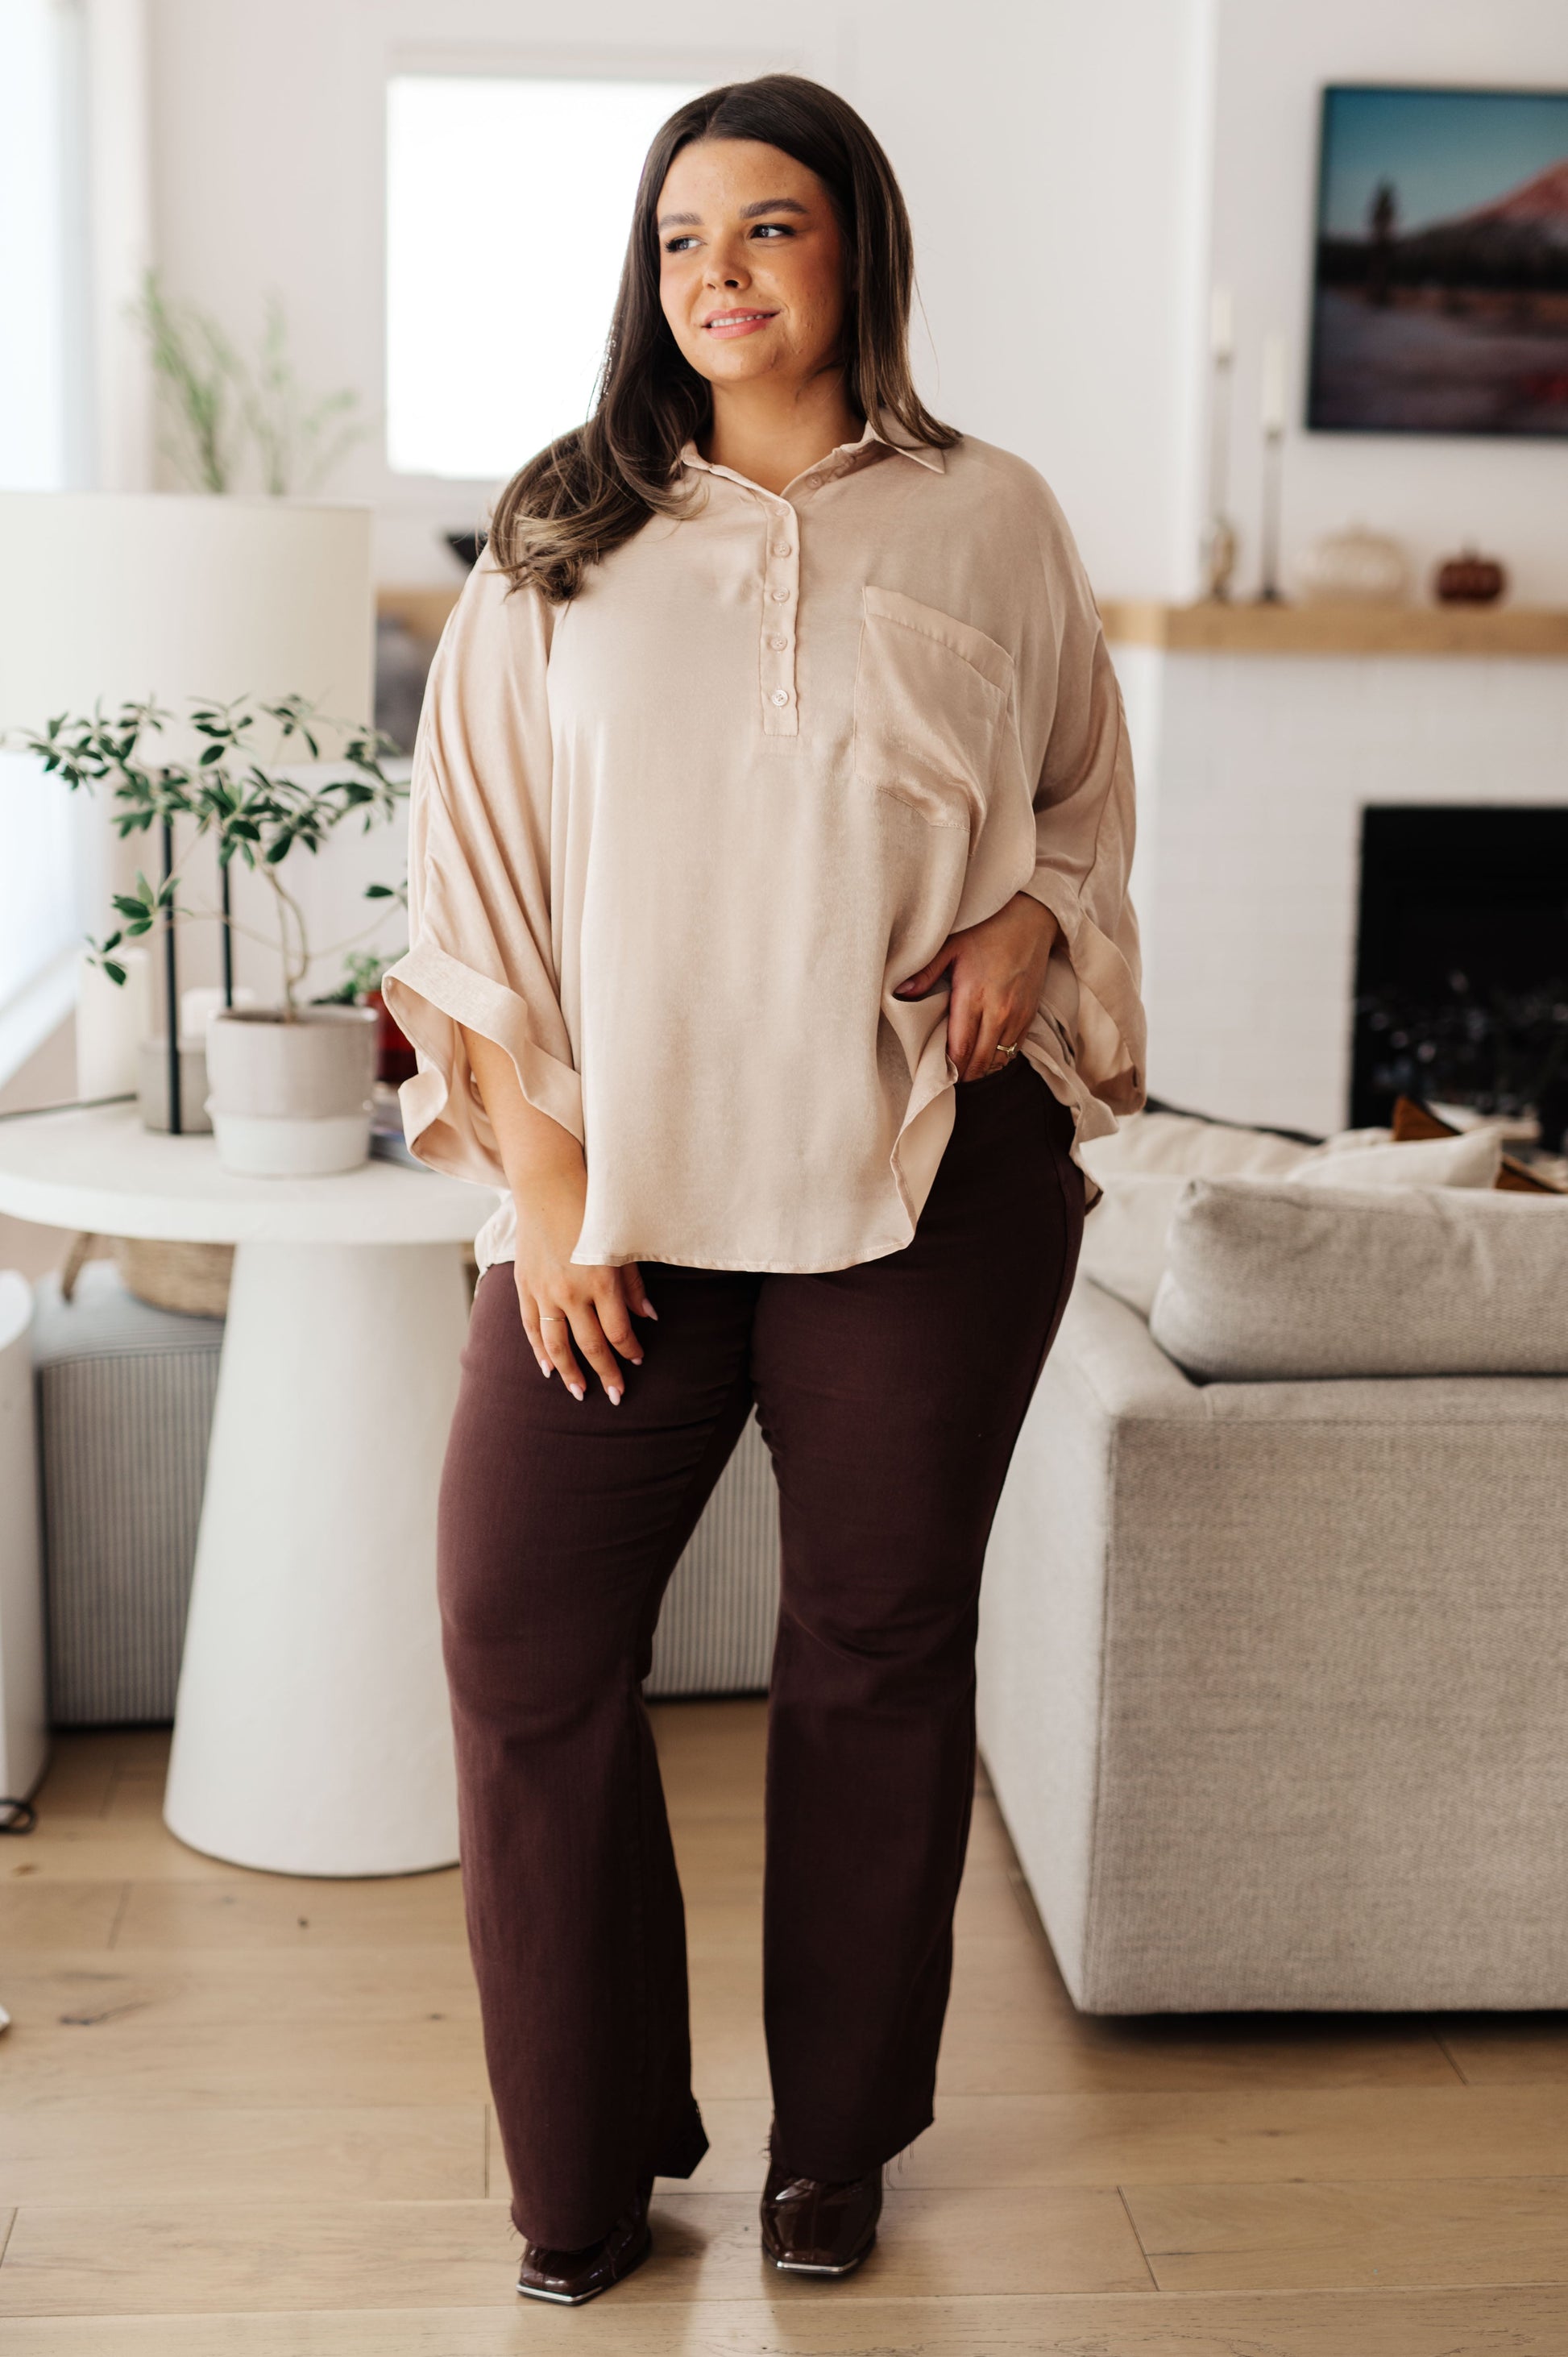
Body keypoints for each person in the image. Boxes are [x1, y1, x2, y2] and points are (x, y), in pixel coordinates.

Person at [382, 70, 1143, 2308]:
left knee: (872, 1656)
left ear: (857, 255)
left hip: (920, 1176)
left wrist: (1032, 927)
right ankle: (587, 2161)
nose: (716, 276)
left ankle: (834, 2152)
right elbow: (469, 886)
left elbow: (1081, 790)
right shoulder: (559, 527)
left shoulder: (991, 513)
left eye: (769, 230)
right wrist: (540, 1182)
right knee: (521, 1639)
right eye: (681, 238)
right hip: (617, 1197)